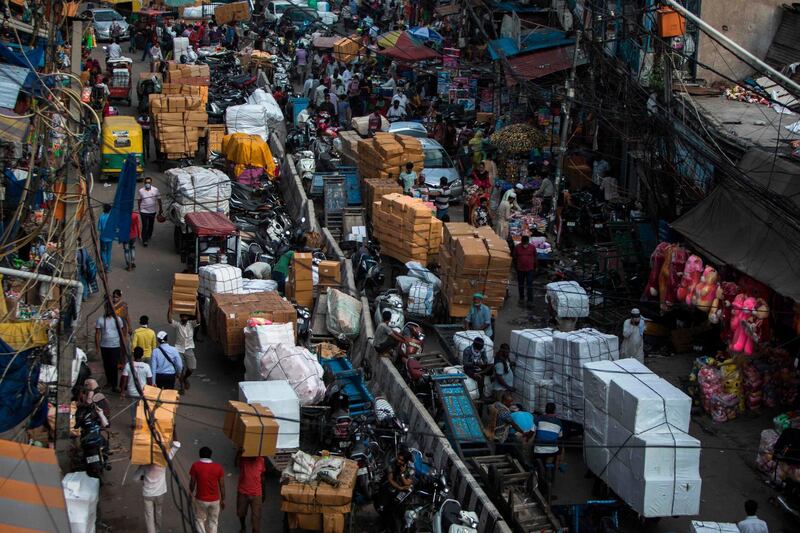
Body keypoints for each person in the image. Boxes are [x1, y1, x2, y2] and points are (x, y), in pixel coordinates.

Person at [137, 440, 181, 533]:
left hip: (148, 494)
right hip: (160, 492)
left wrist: (142, 475)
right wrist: (174, 431)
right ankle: (157, 529)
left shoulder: (144, 464)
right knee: (158, 511)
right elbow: (177, 445)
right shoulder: (164, 460)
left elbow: (135, 478)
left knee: (149, 515)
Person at [189, 447, 225, 533]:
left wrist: (190, 493)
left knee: (199, 519)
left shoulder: (196, 465)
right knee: (213, 521)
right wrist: (223, 499)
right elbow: (222, 485)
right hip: (215, 500)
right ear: (210, 455)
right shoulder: (218, 467)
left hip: (201, 499)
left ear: (200, 455)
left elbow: (192, 483)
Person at [95, 303, 126, 391]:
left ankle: (114, 384)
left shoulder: (117, 319)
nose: (108, 311)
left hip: (115, 346)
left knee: (114, 365)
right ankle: (109, 382)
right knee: (106, 365)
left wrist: (123, 344)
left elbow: (121, 332)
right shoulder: (100, 320)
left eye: (110, 309)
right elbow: (97, 334)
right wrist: (97, 347)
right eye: (107, 309)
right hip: (104, 346)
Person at [168, 303, 198, 390]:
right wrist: (170, 306)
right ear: (181, 317)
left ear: (188, 317)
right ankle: (181, 387)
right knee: (180, 369)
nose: (184, 318)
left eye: (186, 316)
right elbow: (169, 320)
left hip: (189, 348)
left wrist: (198, 307)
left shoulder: (191, 324)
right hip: (179, 349)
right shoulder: (177, 325)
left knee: (191, 368)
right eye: (183, 316)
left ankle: (184, 378)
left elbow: (199, 320)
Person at [120, 347, 154, 426]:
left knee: (133, 408)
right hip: (142, 392)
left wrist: (122, 392)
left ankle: (134, 422)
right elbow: (149, 381)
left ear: (133, 355)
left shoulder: (128, 365)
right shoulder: (146, 366)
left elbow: (124, 379)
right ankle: (141, 423)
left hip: (131, 392)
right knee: (142, 408)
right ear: (142, 355)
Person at [235, 451, 267, 533]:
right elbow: (236, 464)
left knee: (256, 517)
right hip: (243, 491)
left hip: (257, 493)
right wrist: (239, 453)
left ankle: (254, 530)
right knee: (241, 513)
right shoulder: (243, 458)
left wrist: (264, 492)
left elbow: (262, 477)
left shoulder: (261, 460)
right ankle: (243, 527)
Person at [532, 402, 563, 483]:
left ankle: (536, 473)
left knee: (534, 457)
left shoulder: (539, 418)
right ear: (554, 411)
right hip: (553, 451)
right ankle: (550, 476)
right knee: (551, 460)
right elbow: (560, 437)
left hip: (539, 451)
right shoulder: (559, 422)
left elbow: (532, 432)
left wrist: (526, 437)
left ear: (545, 410)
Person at [513, 235, 537, 305]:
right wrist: (516, 267)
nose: (525, 246)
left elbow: (535, 257)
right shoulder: (517, 247)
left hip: (530, 269)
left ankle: (530, 300)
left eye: (526, 244)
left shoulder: (532, 247)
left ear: (528, 242)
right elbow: (514, 258)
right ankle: (521, 298)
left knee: (529, 285)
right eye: (523, 244)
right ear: (521, 242)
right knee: (521, 284)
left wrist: (535, 267)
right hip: (520, 269)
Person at [138, 176, 162, 246]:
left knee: (151, 225)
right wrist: (140, 209)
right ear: (144, 183)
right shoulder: (141, 191)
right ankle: (144, 240)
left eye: (149, 182)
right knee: (145, 225)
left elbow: (159, 200)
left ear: (151, 183)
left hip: (152, 211)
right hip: (143, 211)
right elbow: (139, 200)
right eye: (146, 182)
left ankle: (149, 235)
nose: (147, 184)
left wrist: (161, 209)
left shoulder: (155, 190)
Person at [98, 204, 113, 271]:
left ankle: (105, 264)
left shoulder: (101, 217)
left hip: (103, 238)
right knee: (109, 251)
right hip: (110, 237)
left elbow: (99, 228)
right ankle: (108, 267)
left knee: (103, 251)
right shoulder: (112, 217)